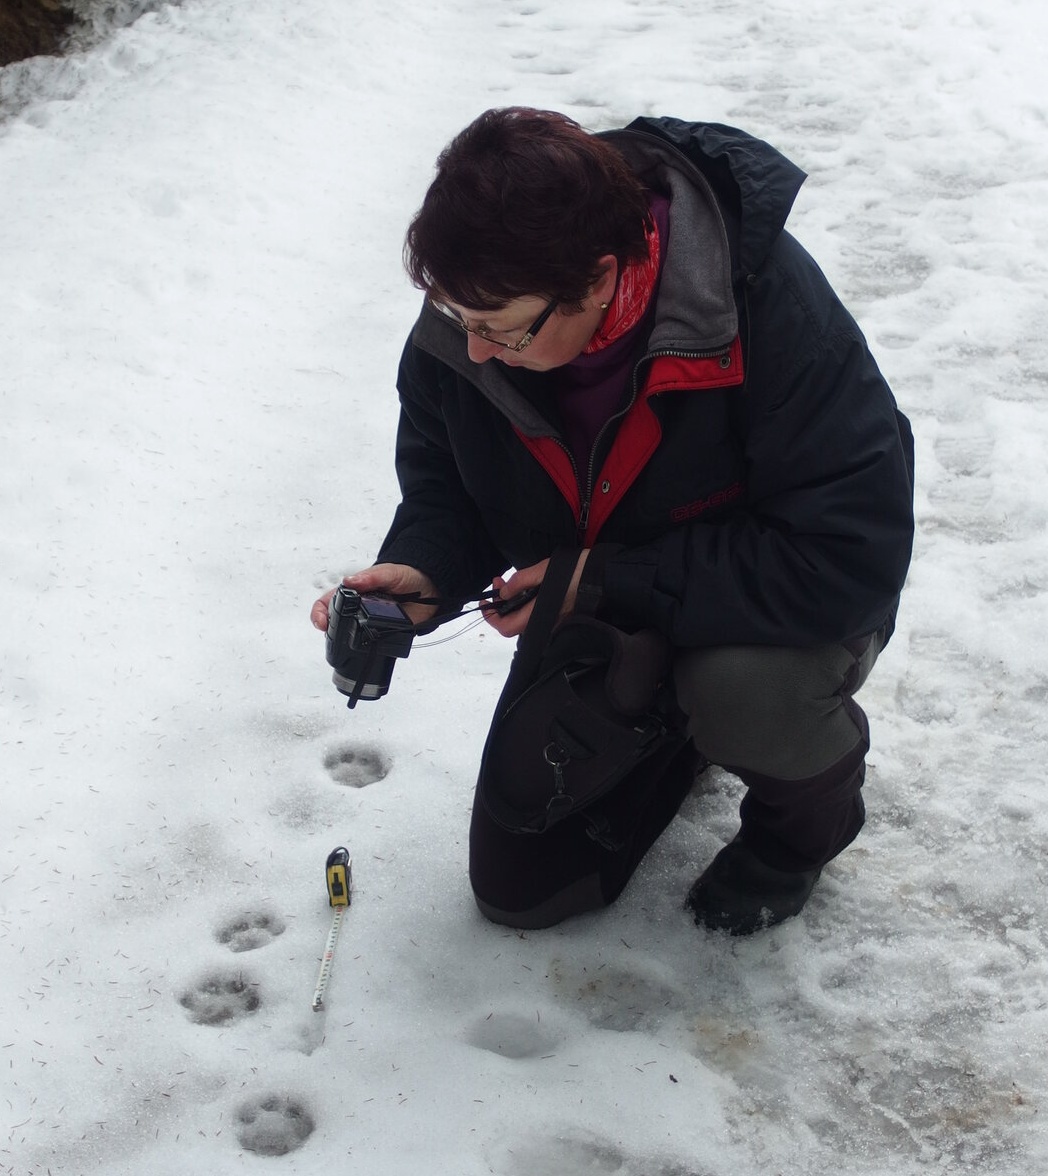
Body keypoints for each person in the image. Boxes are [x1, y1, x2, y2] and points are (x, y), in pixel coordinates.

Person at [311, 107, 914, 935]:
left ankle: (800, 830)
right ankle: (675, 723)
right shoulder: (478, 308)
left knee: (741, 692)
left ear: (599, 280)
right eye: (458, 321)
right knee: (523, 891)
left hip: (778, 609)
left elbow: (850, 556)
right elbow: (448, 484)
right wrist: (424, 566)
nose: (475, 349)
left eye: (499, 330)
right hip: (609, 600)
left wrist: (601, 580)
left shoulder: (764, 305)